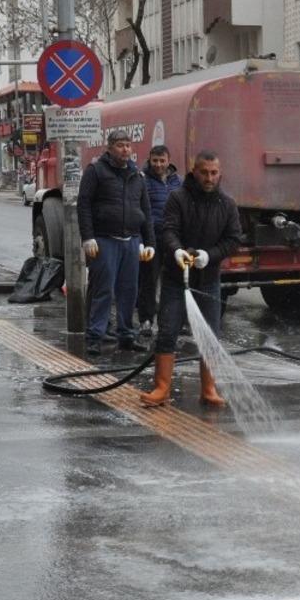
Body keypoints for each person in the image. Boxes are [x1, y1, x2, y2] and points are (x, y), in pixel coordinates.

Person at [141, 150, 242, 409]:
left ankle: (208, 389)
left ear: (220, 173)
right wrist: (177, 251)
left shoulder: (227, 204)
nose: (209, 178)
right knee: (168, 331)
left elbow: (233, 239)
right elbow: (168, 230)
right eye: (204, 172)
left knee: (210, 335)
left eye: (214, 173)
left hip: (208, 279)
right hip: (176, 279)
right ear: (194, 172)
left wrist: (210, 256)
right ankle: (162, 388)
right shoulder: (178, 198)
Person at [76, 129, 156, 357]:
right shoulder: (96, 171)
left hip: (131, 241)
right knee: (103, 290)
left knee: (129, 291)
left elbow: (146, 211)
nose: (125, 150)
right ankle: (95, 337)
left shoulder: (137, 175)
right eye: (120, 145)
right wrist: (88, 237)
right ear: (109, 148)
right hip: (105, 240)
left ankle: (126, 336)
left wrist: (149, 242)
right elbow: (84, 205)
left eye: (128, 145)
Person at [140, 144, 181, 337]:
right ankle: (146, 320)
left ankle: (171, 321)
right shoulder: (143, 181)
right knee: (149, 280)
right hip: (152, 238)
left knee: (173, 281)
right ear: (149, 160)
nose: (158, 164)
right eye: (154, 161)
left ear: (168, 161)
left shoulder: (177, 181)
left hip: (173, 239)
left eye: (162, 161)